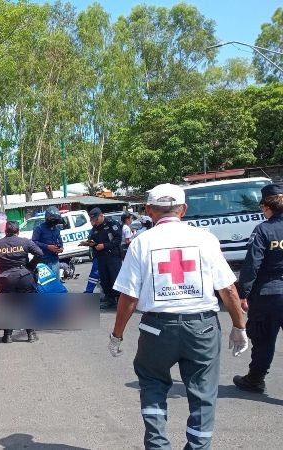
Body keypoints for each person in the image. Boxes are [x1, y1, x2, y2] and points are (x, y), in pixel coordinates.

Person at [107, 183, 248, 450]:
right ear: (183, 209)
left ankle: (158, 445)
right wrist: (239, 325)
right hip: (202, 328)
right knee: (203, 391)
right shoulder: (205, 239)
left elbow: (128, 296)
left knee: (152, 384)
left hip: (156, 329)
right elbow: (228, 288)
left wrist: (117, 335)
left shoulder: (141, 243)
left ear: (149, 210)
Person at [233, 182, 283, 394]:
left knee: (263, 340)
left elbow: (252, 264)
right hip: (270, 292)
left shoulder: (264, 230)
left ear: (266, 206)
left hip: (268, 295)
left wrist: (242, 293)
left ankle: (255, 379)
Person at [0, 221, 43, 343]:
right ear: (18, 232)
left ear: (5, 231)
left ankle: (7, 336)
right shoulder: (24, 241)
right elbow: (39, 253)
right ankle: (31, 335)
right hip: (23, 276)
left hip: (5, 278)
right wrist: (30, 266)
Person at [80, 207, 122, 308]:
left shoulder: (112, 224)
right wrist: (88, 243)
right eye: (93, 220)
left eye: (96, 219)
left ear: (101, 216)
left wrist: (104, 246)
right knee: (104, 279)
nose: (95, 222)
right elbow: (93, 240)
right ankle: (109, 298)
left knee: (114, 279)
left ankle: (119, 300)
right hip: (101, 257)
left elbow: (118, 239)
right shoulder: (95, 227)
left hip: (113, 256)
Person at [31, 207, 63, 277]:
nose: (54, 222)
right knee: (44, 284)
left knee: (55, 282)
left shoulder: (57, 229)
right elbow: (33, 242)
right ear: (47, 218)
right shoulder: (39, 228)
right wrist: (47, 247)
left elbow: (60, 242)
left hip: (54, 261)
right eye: (53, 220)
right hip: (43, 261)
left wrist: (61, 249)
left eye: (56, 221)